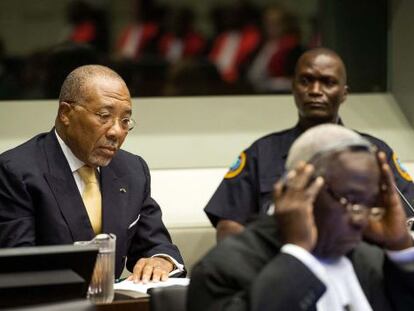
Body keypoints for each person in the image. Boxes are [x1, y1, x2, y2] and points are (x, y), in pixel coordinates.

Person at [188, 124, 414, 311]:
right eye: (350, 199)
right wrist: (298, 255)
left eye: (368, 203)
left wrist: (401, 247)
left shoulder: (369, 259)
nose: (360, 219)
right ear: (298, 189)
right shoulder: (222, 270)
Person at [205, 47, 414, 241]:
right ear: (293, 87)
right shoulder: (261, 153)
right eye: (306, 80)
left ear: (344, 93)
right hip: (280, 264)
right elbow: (229, 226)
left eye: (328, 82)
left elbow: (407, 217)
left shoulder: (373, 152)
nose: (315, 90)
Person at [0, 65, 184, 281]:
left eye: (125, 121)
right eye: (104, 116)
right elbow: (18, 267)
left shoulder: (132, 170)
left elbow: (155, 244)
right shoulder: (16, 171)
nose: (116, 131)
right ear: (66, 113)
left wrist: (161, 261)